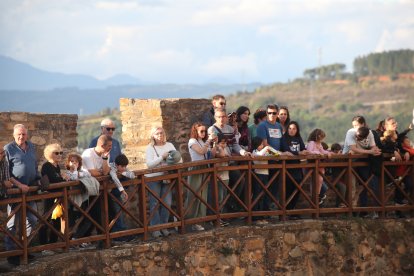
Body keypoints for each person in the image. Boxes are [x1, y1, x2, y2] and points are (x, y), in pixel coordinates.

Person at [4, 124, 39, 265]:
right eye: (18, 134)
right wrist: (19, 185)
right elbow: (7, 173)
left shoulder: (31, 146)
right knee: (12, 224)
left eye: (23, 134)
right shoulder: (8, 149)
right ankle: (12, 254)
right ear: (13, 134)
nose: (21, 137)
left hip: (30, 191)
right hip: (15, 192)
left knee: (32, 220)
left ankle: (25, 248)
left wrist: (38, 178)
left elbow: (34, 165)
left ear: (27, 135)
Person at [145, 126, 180, 238]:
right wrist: (162, 157)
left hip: (166, 177)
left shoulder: (169, 145)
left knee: (167, 203)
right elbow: (149, 164)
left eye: (162, 133)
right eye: (157, 133)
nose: (160, 135)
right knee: (154, 203)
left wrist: (171, 161)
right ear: (153, 136)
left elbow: (179, 159)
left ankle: (164, 227)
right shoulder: (150, 148)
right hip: (154, 178)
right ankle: (155, 229)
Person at [257, 104, 293, 210]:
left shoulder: (278, 126)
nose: (271, 115)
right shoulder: (262, 126)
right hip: (265, 161)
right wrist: (278, 154)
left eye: (274, 113)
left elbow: (282, 143)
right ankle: (262, 212)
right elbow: (264, 145)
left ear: (277, 114)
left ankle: (270, 209)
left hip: (277, 161)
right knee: (264, 187)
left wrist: (288, 152)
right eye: (269, 113)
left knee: (274, 187)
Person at [39, 143, 69, 248]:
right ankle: (43, 246)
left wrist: (62, 178)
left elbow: (57, 180)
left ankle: (52, 244)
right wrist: (63, 178)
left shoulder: (56, 166)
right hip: (48, 197)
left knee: (56, 220)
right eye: (56, 153)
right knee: (45, 220)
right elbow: (54, 180)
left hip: (57, 197)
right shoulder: (47, 166)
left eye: (61, 153)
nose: (59, 155)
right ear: (50, 154)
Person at [186, 122, 215, 231]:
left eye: (205, 131)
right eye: (201, 131)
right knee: (194, 195)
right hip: (196, 168)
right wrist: (208, 140)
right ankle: (191, 220)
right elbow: (201, 151)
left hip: (204, 167)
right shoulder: (192, 141)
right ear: (195, 132)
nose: (204, 133)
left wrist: (214, 143)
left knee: (203, 196)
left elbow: (210, 153)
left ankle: (199, 220)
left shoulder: (202, 141)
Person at [281, 121, 309, 215]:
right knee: (288, 189)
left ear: (297, 130)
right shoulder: (284, 138)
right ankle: (286, 210)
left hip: (297, 167)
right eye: (290, 128)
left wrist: (303, 152)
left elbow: (303, 149)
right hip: (287, 168)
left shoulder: (298, 138)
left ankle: (292, 210)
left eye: (294, 129)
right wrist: (298, 153)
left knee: (297, 189)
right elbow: (286, 150)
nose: (291, 130)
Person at [108, 154, 136, 240]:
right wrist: (123, 191)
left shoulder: (122, 168)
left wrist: (123, 172)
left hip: (116, 193)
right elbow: (115, 180)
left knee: (119, 211)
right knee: (116, 213)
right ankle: (118, 235)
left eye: (125, 166)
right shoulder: (112, 169)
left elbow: (132, 175)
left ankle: (121, 233)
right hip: (110, 192)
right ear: (117, 165)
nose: (124, 168)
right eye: (122, 167)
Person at [306, 128, 333, 205]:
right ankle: (316, 197)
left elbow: (322, 151)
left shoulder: (319, 144)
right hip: (313, 166)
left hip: (319, 166)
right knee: (316, 182)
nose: (322, 139)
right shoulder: (312, 143)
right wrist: (317, 152)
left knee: (320, 181)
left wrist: (328, 153)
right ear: (317, 136)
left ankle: (317, 197)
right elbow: (309, 151)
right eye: (321, 137)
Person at [251, 136, 271, 217]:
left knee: (264, 194)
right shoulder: (254, 152)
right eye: (260, 145)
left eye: (262, 144)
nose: (262, 146)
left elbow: (276, 156)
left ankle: (263, 213)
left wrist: (271, 151)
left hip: (266, 174)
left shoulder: (264, 151)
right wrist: (266, 148)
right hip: (258, 175)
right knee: (257, 194)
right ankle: (255, 213)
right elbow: (259, 155)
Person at [214, 133, 232, 226]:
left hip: (226, 176)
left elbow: (228, 158)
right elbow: (221, 155)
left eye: (225, 143)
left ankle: (221, 217)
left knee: (224, 198)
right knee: (219, 198)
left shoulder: (226, 149)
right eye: (222, 143)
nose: (223, 145)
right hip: (219, 177)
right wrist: (219, 147)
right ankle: (217, 219)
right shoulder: (217, 149)